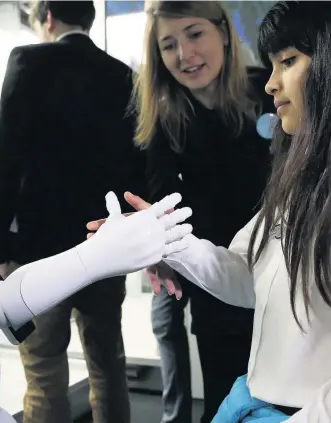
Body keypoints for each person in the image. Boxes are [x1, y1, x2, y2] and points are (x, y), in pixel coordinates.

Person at [89, 2, 331, 421]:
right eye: (272, 65)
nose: (271, 84)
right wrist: (161, 241)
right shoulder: (316, 174)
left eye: (288, 61)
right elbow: (249, 273)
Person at [0, 2, 146, 422]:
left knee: (43, 371)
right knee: (108, 363)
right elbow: (137, 162)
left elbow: (4, 159)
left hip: (38, 249)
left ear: (48, 19)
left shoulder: (28, 61)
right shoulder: (122, 75)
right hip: (104, 245)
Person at [131, 1, 274, 422]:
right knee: (225, 400)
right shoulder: (166, 118)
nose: (184, 55)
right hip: (213, 288)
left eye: (195, 34)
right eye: (169, 45)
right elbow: (158, 201)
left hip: (283, 275)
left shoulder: (267, 89)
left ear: (224, 33)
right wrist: (153, 248)